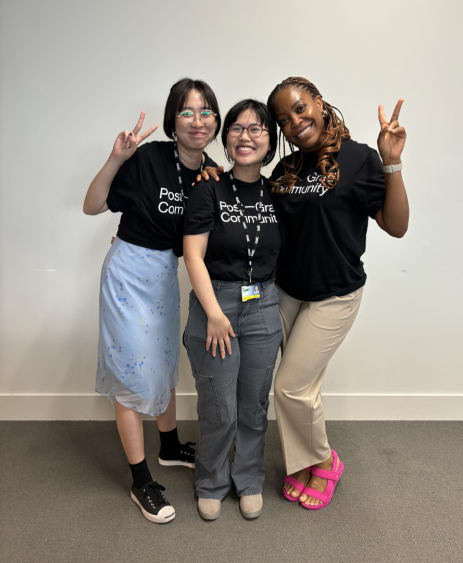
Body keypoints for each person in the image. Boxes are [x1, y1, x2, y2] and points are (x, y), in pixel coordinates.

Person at [82, 78, 220, 523]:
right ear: (172, 121)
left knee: (162, 363)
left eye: (204, 111)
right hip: (127, 272)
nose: (196, 121)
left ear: (215, 121)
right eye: (186, 112)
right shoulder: (147, 159)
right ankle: (141, 482)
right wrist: (115, 158)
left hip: (163, 274)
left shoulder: (211, 173)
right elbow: (92, 205)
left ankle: (169, 446)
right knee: (132, 373)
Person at [268, 77, 408, 510]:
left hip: (335, 293)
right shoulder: (285, 171)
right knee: (304, 386)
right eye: (283, 119)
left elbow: (396, 226)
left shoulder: (360, 158)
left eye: (299, 108)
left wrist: (392, 163)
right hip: (288, 291)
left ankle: (325, 461)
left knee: (289, 387)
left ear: (318, 102)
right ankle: (305, 462)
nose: (295, 121)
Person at [182, 99, 281, 521]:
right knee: (218, 404)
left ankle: (248, 478)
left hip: (263, 304)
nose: (246, 137)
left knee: (253, 403)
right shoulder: (209, 187)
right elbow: (193, 255)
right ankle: (211, 480)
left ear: (270, 141)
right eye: (238, 129)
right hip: (215, 304)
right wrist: (214, 314)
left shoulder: (279, 192)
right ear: (225, 139)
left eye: (257, 129)